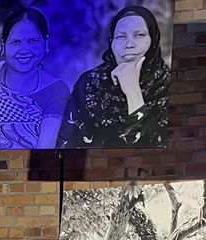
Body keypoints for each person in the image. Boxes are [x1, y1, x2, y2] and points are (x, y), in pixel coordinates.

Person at [57, 4, 170, 148]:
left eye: (139, 35)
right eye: (121, 36)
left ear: (153, 40)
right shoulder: (89, 83)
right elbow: (65, 146)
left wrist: (133, 91)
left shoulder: (168, 84)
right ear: (112, 43)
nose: (129, 44)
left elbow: (156, 151)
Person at [0, 7, 70, 150]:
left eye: (32, 40)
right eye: (16, 42)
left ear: (45, 43)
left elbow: (44, 150)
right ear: (4, 46)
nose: (24, 50)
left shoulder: (56, 90)